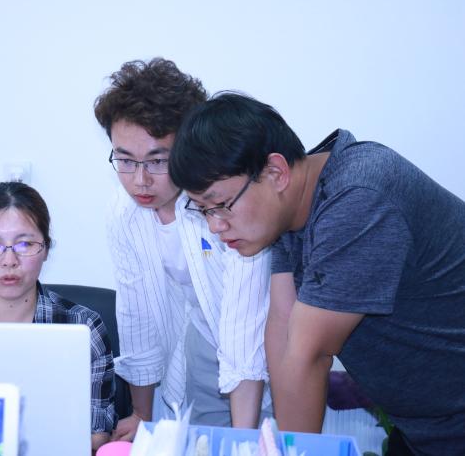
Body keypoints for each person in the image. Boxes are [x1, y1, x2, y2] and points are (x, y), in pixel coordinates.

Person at [168, 91, 465, 455]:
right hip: (426, 427)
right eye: (204, 210)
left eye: (221, 204)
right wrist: (286, 447)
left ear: (275, 172)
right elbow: (282, 326)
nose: (215, 226)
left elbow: (308, 353)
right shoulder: (291, 213)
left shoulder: (358, 198)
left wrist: (296, 452)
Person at [94, 59, 272, 441]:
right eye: (125, 160)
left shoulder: (223, 204)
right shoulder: (124, 213)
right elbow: (137, 312)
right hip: (203, 344)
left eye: (158, 160)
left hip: (267, 343)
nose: (140, 180)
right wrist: (142, 415)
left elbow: (246, 321)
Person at [0, 181, 117, 452]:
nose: (9, 260)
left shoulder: (84, 328)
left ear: (46, 249)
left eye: (25, 244)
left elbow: (96, 436)